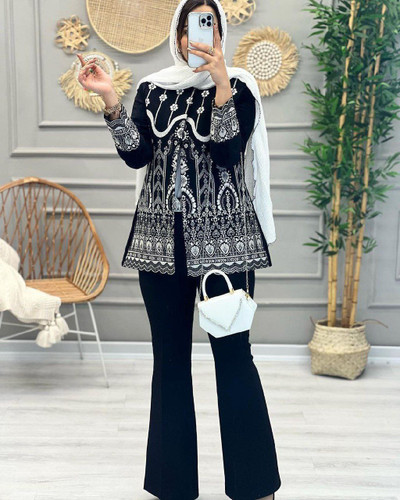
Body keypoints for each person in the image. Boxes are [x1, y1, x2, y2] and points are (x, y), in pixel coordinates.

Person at [77, 0, 281, 498]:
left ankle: (255, 488)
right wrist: (110, 99)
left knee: (234, 361)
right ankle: (172, 488)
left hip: (225, 248)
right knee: (168, 363)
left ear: (220, 33)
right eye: (191, 26)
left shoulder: (240, 88)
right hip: (159, 248)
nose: (198, 36)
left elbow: (228, 154)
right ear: (177, 34)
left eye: (208, 25)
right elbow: (137, 156)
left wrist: (220, 83)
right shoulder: (152, 89)